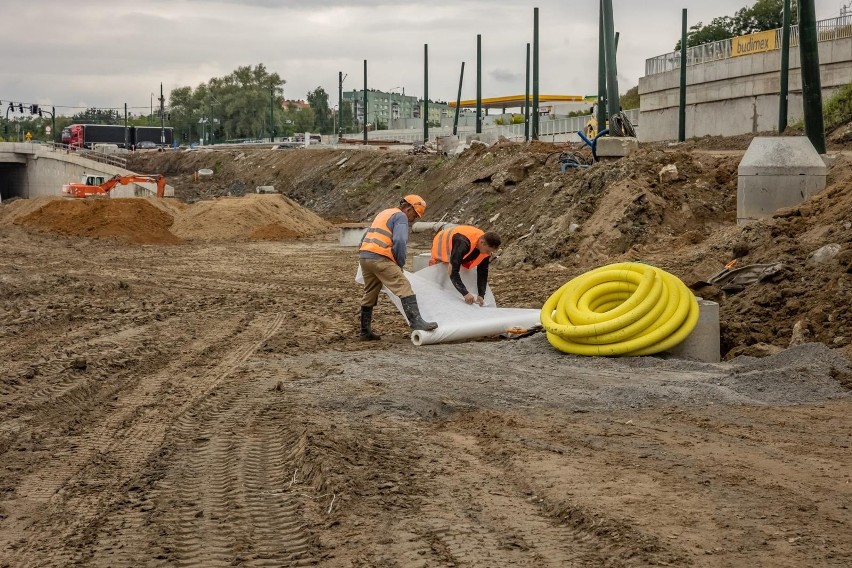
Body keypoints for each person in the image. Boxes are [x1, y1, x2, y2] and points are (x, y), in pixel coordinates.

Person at [358, 194, 438, 341]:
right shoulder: (400, 217)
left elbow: (365, 236)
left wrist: (364, 252)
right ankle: (416, 323)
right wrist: (399, 264)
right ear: (408, 209)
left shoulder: (384, 213)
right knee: (404, 286)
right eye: (415, 214)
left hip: (365, 257)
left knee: (370, 292)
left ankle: (364, 331)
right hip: (381, 258)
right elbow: (400, 241)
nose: (414, 219)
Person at [430, 225, 501, 306]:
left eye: (491, 252)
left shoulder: (485, 247)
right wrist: (465, 293)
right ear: (482, 243)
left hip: (463, 249)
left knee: (461, 270)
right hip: (442, 247)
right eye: (488, 251)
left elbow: (482, 273)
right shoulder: (462, 242)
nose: (489, 254)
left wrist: (481, 295)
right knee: (441, 279)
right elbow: (452, 271)